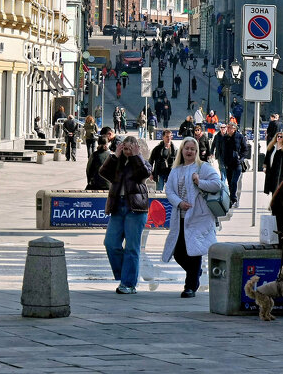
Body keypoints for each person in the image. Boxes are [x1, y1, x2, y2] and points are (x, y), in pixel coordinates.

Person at [162, 136, 222, 298]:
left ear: (196, 152)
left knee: (193, 251)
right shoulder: (176, 170)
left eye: (192, 149)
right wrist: (179, 203)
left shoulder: (203, 167)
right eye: (187, 148)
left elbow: (217, 184)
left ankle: (190, 287)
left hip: (198, 216)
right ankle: (195, 273)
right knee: (179, 252)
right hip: (180, 216)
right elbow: (169, 191)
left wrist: (199, 181)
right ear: (182, 150)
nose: (189, 151)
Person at [100, 135, 153, 295]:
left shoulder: (143, 162)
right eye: (125, 147)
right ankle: (126, 273)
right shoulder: (118, 163)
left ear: (138, 148)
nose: (127, 150)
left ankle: (128, 283)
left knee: (131, 248)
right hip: (118, 207)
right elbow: (103, 172)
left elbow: (143, 174)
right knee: (110, 243)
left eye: (131, 147)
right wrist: (115, 155)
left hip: (135, 209)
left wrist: (136, 156)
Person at [216, 119, 251, 208]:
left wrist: (240, 158)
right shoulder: (225, 138)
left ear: (234, 129)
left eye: (229, 128)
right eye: (227, 127)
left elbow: (245, 149)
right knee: (229, 182)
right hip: (228, 164)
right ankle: (231, 199)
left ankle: (234, 199)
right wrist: (223, 160)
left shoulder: (240, 137)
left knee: (234, 182)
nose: (227, 129)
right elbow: (222, 150)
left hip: (237, 164)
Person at [263, 131, 283, 198]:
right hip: (271, 171)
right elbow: (267, 158)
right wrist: (265, 167)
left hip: (281, 173)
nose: (279, 138)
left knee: (278, 189)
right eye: (278, 136)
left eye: (281, 137)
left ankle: (276, 205)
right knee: (272, 188)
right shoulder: (271, 147)